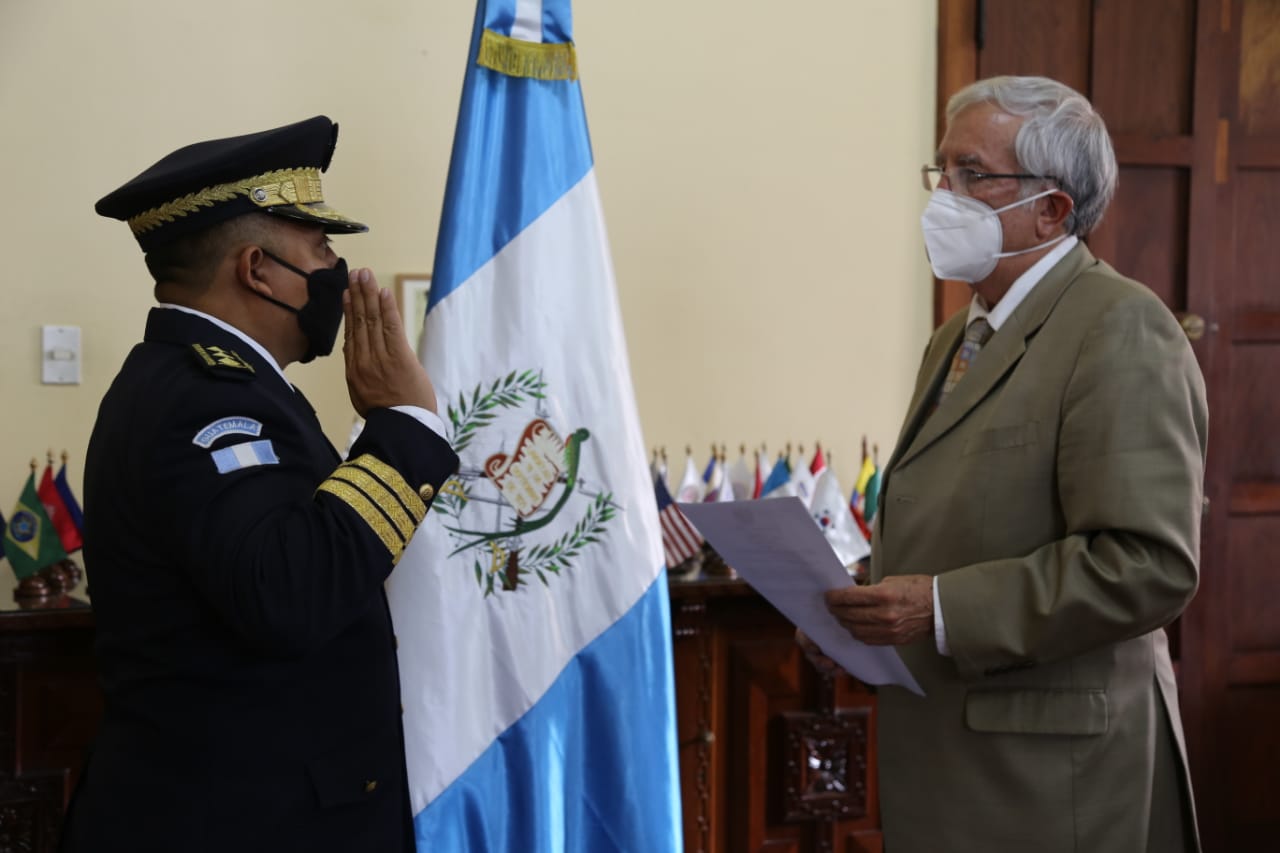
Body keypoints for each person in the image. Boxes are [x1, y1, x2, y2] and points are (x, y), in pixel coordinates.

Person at [800, 76, 1207, 852]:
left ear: (1051, 209)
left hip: (1052, 777)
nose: (942, 195)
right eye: (941, 169)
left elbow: (1147, 564)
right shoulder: (957, 338)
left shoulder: (1122, 328)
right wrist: (858, 611)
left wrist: (940, 608)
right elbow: (958, 516)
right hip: (952, 759)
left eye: (972, 173)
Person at [60, 116, 459, 852]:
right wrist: (406, 426)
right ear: (257, 269)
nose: (338, 270)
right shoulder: (206, 399)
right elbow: (290, 590)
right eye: (321, 248)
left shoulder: (215, 384)